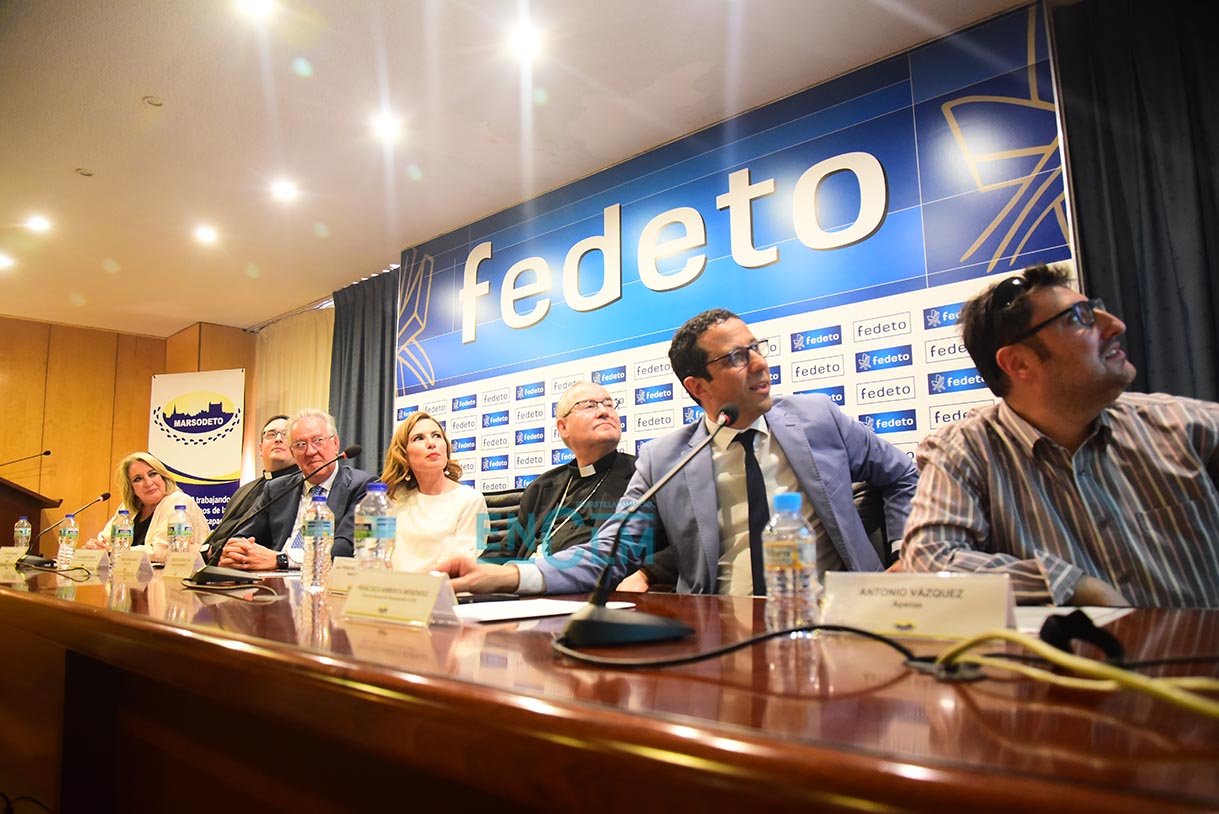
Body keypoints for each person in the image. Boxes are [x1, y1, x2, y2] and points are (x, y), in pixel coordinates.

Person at [438, 307, 918, 596]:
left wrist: (904, 557)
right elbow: (609, 553)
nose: (759, 363)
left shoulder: (817, 418)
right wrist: (506, 576)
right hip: (715, 629)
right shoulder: (665, 460)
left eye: (756, 347)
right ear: (697, 386)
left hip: (834, 617)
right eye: (737, 357)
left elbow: (903, 476)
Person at [900, 263, 1219, 607]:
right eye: (1080, 318)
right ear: (1018, 363)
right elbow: (931, 560)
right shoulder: (963, 451)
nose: (1116, 325)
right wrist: (1071, 585)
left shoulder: (1187, 426)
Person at [481, 381, 651, 565]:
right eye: (590, 405)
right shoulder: (542, 487)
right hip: (525, 578)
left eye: (609, 404)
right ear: (563, 427)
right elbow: (507, 549)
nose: (604, 412)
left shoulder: (643, 475)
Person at [218, 409, 374, 571]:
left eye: (318, 441)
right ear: (292, 453)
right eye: (300, 445)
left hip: (325, 579)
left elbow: (344, 548)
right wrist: (236, 552)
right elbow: (243, 536)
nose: (310, 451)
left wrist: (283, 559)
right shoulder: (277, 488)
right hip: (272, 580)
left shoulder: (362, 486)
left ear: (335, 444)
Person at [382, 411, 488, 571]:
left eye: (437, 436)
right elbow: (376, 556)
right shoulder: (394, 499)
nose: (431, 443)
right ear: (403, 454)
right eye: (419, 438)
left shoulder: (471, 500)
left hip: (441, 585)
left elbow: (458, 565)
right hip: (392, 585)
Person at [201, 414, 299, 563]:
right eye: (271, 434)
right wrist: (206, 550)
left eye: (285, 434)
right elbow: (222, 531)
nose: (278, 439)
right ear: (260, 448)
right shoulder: (243, 491)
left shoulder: (299, 488)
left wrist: (213, 550)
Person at [87, 452, 210, 564]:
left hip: (176, 577)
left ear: (163, 477)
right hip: (130, 576)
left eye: (152, 474)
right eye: (138, 479)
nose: (148, 483)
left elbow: (161, 551)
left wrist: (115, 552)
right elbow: (106, 538)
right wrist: (97, 546)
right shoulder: (127, 508)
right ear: (131, 488)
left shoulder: (179, 503)